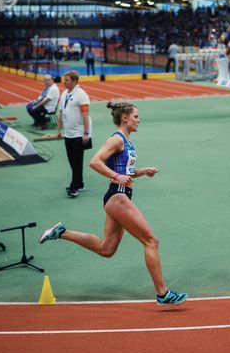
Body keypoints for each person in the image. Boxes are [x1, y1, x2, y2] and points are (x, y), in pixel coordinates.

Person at [39, 101, 188, 306]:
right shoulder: (117, 139)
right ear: (125, 118)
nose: (139, 120)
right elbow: (95, 162)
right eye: (136, 116)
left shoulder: (126, 141)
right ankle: (162, 293)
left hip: (118, 196)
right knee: (151, 241)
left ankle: (61, 231)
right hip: (118, 196)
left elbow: (125, 172)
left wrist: (143, 172)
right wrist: (116, 176)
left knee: (106, 249)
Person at [57, 70, 92, 198]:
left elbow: (85, 114)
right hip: (68, 133)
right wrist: (59, 130)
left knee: (77, 161)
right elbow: (61, 113)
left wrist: (86, 133)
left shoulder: (81, 94)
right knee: (72, 160)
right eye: (64, 79)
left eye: (67, 80)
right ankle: (80, 183)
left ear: (75, 81)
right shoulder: (64, 93)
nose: (64, 82)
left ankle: (74, 187)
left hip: (79, 133)